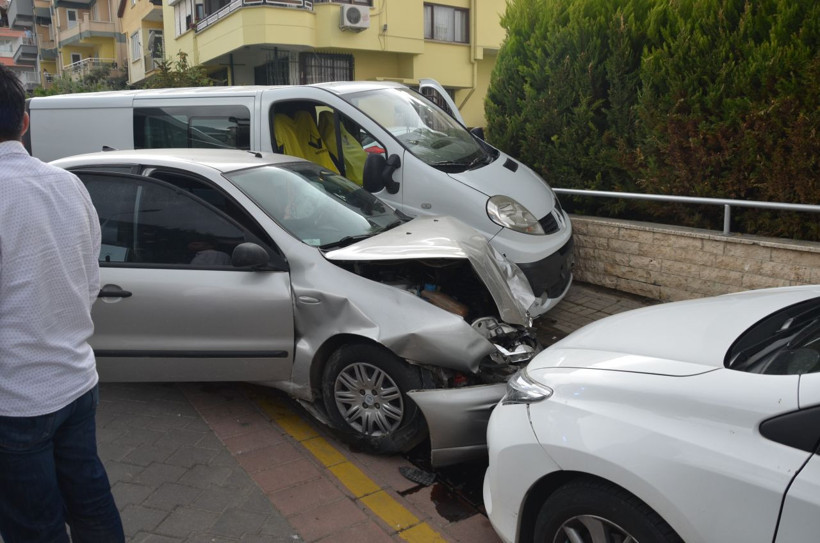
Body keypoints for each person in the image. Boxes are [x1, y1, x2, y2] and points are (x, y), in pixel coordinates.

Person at [0, 64, 125, 542]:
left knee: (34, 525)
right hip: (77, 381)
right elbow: (90, 279)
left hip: (16, 401)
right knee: (91, 502)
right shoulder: (67, 184)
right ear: (24, 121)